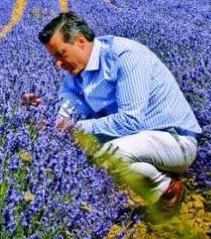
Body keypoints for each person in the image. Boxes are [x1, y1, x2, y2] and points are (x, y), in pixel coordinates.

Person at [33, 11, 202, 218]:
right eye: (54, 58)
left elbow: (130, 121)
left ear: (80, 42)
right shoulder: (77, 72)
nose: (58, 64)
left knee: (109, 153)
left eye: (60, 54)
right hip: (138, 141)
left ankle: (167, 189)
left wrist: (76, 128)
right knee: (84, 147)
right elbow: (68, 110)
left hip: (174, 140)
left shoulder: (125, 56)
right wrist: (43, 113)